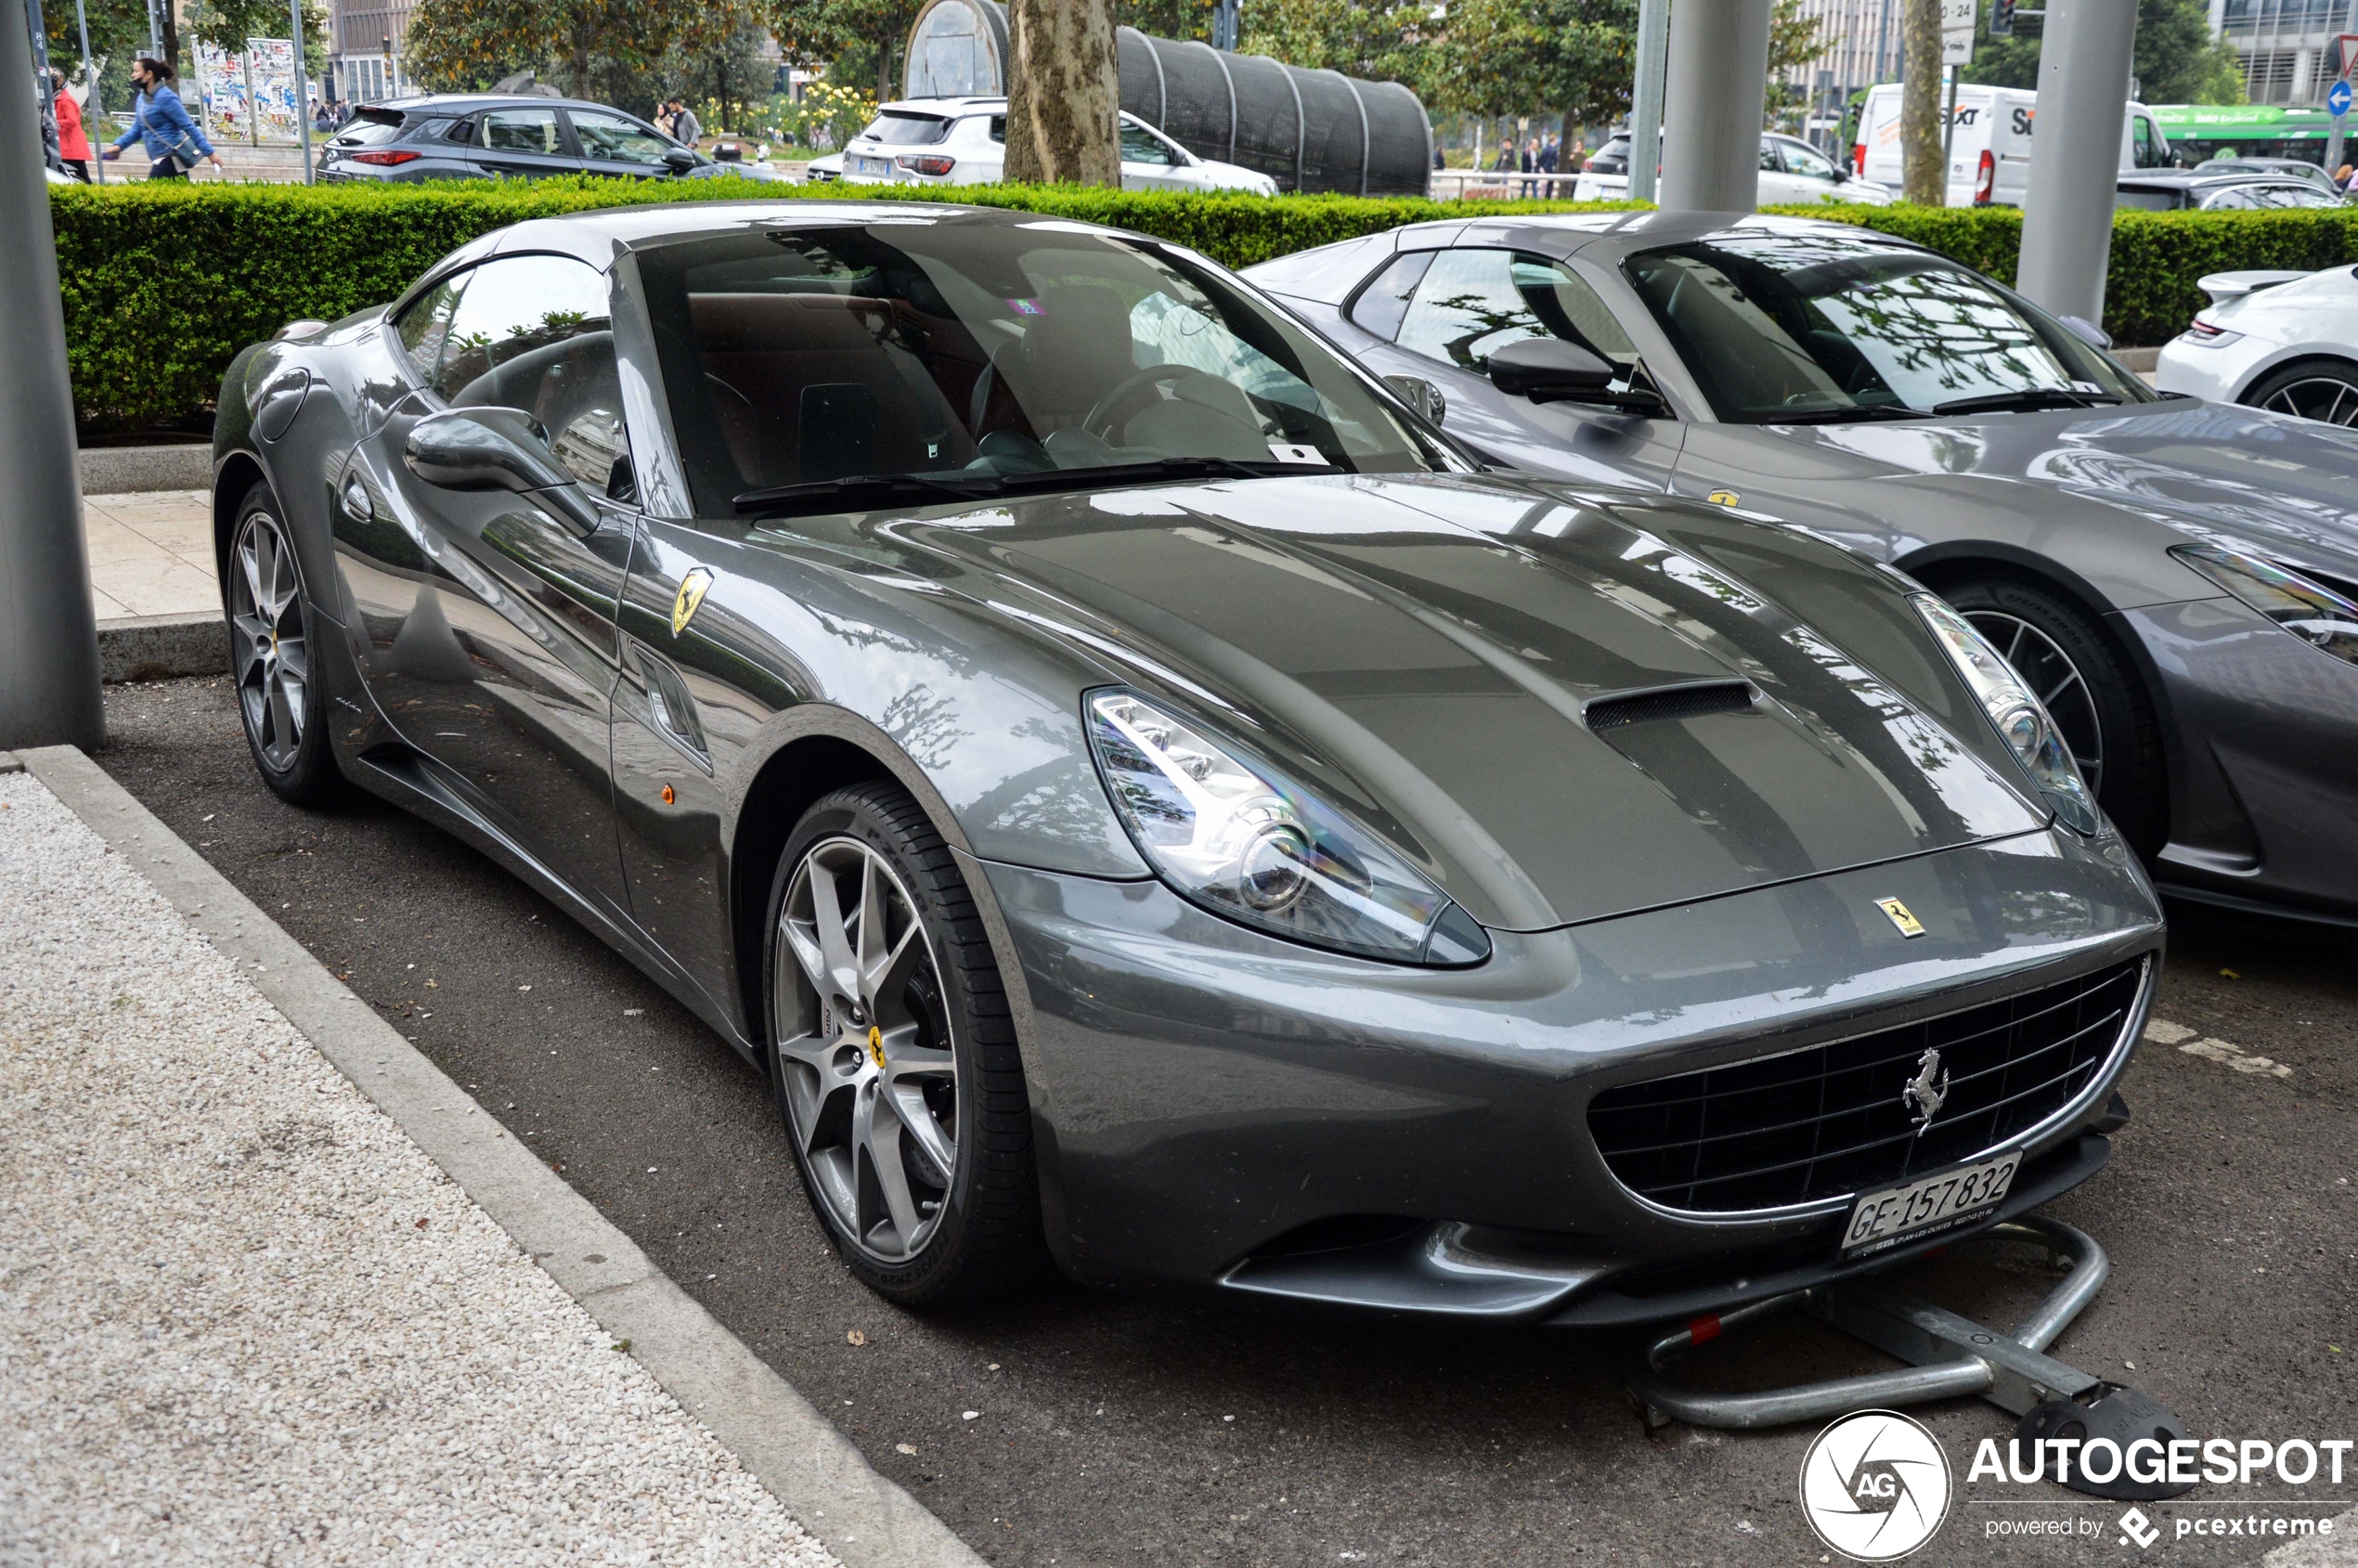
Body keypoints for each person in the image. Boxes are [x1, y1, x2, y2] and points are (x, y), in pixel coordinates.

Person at [100, 56, 223, 180]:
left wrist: (210, 153)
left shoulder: (166, 97)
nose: (133, 75)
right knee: (177, 198)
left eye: (136, 71)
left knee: (150, 197)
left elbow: (188, 126)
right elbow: (138, 128)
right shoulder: (142, 99)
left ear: (149, 74)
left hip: (169, 157)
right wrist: (119, 145)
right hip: (160, 158)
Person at [52, 70, 92, 181]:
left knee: (60, 173)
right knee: (83, 176)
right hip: (71, 146)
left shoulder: (65, 100)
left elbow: (72, 120)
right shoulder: (59, 99)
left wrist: (55, 122)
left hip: (70, 145)